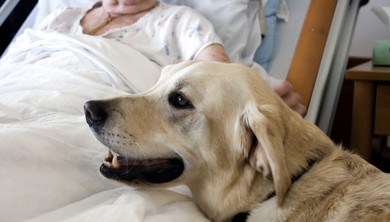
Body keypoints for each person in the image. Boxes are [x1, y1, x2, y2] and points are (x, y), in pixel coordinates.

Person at [39, 0, 306, 116]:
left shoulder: (179, 21)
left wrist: (260, 99)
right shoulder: (62, 17)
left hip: (92, 110)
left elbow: (221, 76)